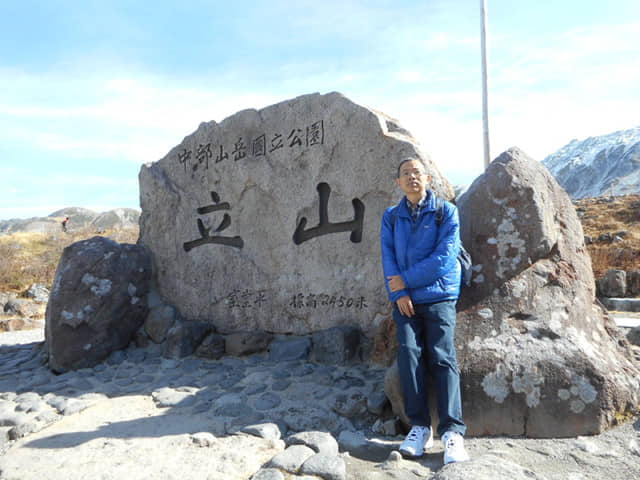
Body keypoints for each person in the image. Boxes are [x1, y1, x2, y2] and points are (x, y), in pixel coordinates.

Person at [380, 157, 469, 464]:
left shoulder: (446, 212)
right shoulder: (391, 217)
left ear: (428, 178)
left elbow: (445, 258)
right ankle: (419, 427)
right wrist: (400, 291)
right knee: (408, 354)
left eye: (416, 172)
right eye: (405, 173)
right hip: (405, 300)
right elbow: (388, 257)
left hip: (440, 295)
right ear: (398, 182)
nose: (411, 177)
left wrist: (405, 279)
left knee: (443, 356)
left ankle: (452, 432)